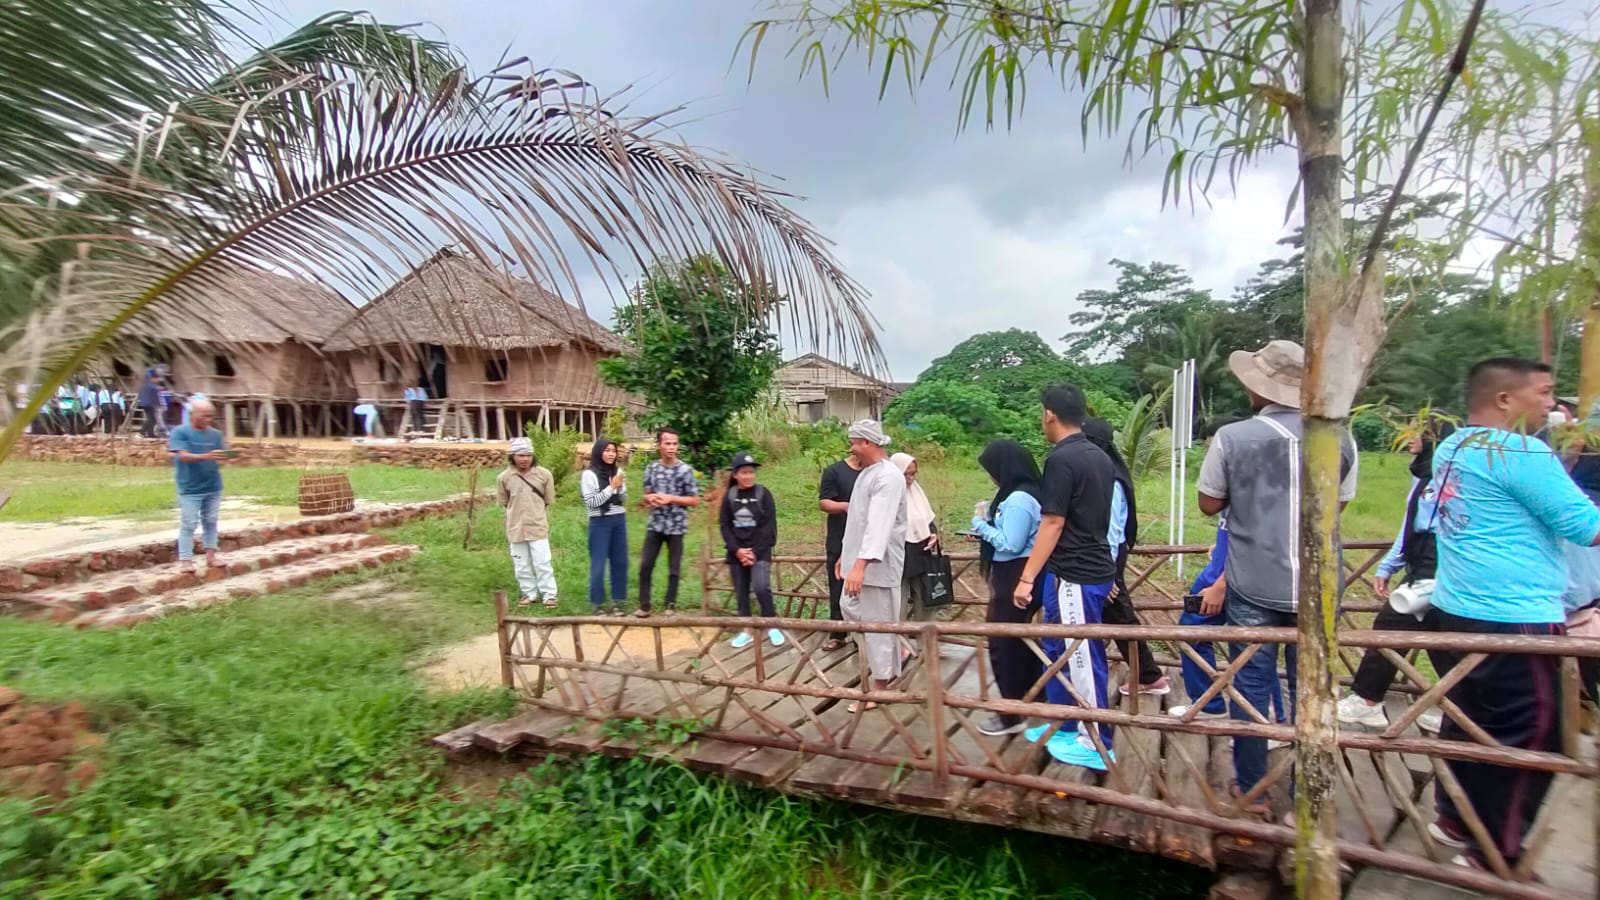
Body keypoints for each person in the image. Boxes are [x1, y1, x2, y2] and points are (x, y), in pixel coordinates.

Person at [1426, 357, 1600, 872]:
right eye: (1545, 393)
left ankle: (1454, 818)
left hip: (1457, 607)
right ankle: (1495, 850)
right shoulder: (1522, 453)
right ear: (1505, 400)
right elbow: (1585, 526)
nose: (1552, 404)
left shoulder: (1454, 446)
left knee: (1470, 719)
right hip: (1514, 614)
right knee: (1534, 730)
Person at [1197, 339, 1357, 807]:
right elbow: (1338, 506)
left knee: (1250, 684)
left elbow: (1209, 503)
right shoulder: (1341, 438)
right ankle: (1308, 792)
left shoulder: (1233, 437)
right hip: (1321, 584)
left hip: (1254, 583)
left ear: (1257, 389)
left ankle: (1253, 789)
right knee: (1310, 685)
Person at [1013, 384, 1121, 771]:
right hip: (1076, 569)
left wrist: (1027, 578)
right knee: (1058, 647)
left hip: (1077, 571)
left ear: (1049, 414)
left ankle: (1097, 741)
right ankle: (1063, 720)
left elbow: (1054, 521)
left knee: (1080, 653)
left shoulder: (1062, 459)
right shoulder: (1099, 456)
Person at [1337, 419, 1457, 733]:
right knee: (1441, 641)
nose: (1409, 439)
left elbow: (1431, 528)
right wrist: (1390, 564)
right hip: (1423, 563)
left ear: (1434, 438)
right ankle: (1458, 708)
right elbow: (1409, 526)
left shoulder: (1444, 477)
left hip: (1437, 565)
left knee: (1391, 629)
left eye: (1417, 433)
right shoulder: (1424, 474)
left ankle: (1367, 701)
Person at [1168, 418, 1286, 725]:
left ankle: (1258, 716)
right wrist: (1218, 551)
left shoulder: (1257, 488)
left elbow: (1260, 540)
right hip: (1221, 571)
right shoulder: (1237, 486)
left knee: (1250, 648)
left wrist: (1221, 583)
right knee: (1201, 634)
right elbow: (1235, 531)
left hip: (1234, 580)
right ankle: (1214, 703)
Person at [1081, 417, 1169, 698]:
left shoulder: (1109, 481)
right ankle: (1145, 674)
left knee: (1121, 617)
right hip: (1105, 557)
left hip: (1105, 559)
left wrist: (1108, 575)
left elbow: (1111, 532)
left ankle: (1150, 677)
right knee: (1116, 616)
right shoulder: (1106, 474)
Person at [969, 439, 1043, 736]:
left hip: (1015, 573)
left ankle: (1012, 712)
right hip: (1017, 571)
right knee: (1020, 640)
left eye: (992, 469)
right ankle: (1035, 697)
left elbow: (1011, 544)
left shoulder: (1020, 500)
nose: (991, 476)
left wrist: (980, 525)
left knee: (1003, 642)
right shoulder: (1021, 495)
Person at [838, 419, 907, 712]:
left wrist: (861, 564)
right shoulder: (868, 474)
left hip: (877, 567)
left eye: (854, 442)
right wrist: (847, 557)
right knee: (851, 609)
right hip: (860, 562)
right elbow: (858, 522)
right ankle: (891, 657)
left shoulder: (889, 477)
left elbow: (878, 525)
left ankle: (880, 686)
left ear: (867, 443)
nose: (851, 448)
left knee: (877, 624)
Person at [721, 452, 784, 648]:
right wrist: (738, 550)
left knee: (760, 586)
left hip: (760, 551)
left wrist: (753, 552)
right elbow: (725, 526)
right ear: (735, 475)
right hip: (736, 553)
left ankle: (771, 624)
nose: (748, 476)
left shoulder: (763, 494)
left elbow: (768, 527)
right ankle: (746, 628)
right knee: (741, 592)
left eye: (751, 472)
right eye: (744, 472)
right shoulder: (729, 496)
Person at [636, 429, 700, 617]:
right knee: (646, 565)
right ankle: (644, 606)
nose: (671, 447)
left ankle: (670, 605)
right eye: (667, 443)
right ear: (659, 445)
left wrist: (670, 498)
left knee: (674, 569)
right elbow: (646, 494)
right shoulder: (651, 469)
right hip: (655, 524)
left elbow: (694, 500)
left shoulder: (685, 470)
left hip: (676, 526)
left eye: (674, 444)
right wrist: (651, 499)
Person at [168, 398, 229, 572]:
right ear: (193, 414)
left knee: (211, 521)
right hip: (189, 488)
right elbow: (183, 456)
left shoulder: (216, 435)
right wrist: (206, 456)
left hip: (213, 485)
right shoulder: (180, 432)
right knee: (189, 523)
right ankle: (186, 560)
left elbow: (222, 455)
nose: (208, 420)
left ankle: (211, 556)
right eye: (205, 416)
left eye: (211, 417)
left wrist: (228, 456)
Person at [498, 437, 558, 608]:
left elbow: (547, 500)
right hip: (515, 527)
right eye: (520, 455)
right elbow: (505, 502)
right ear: (513, 456)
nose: (524, 459)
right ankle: (529, 593)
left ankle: (549, 595)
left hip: (537, 525)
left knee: (542, 562)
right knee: (521, 564)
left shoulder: (544, 475)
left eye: (528, 455)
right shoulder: (504, 478)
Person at [818, 443, 865, 652]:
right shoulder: (835, 471)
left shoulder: (875, 473)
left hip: (866, 540)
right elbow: (824, 503)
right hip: (839, 538)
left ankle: (860, 633)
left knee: (866, 588)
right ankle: (838, 633)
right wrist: (847, 507)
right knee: (838, 586)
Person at [889, 452, 941, 622]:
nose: (910, 478)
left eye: (913, 474)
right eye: (906, 474)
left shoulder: (916, 492)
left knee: (926, 599)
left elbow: (926, 518)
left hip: (920, 551)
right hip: (897, 553)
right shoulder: (887, 494)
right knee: (897, 602)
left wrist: (933, 534)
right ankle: (898, 645)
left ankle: (926, 643)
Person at [581, 439, 629, 615]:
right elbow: (592, 502)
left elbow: (623, 499)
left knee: (620, 562)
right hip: (599, 522)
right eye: (607, 450)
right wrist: (611, 488)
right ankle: (597, 603)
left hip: (618, 520)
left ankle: (617, 602)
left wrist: (620, 489)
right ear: (599, 452)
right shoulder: (589, 475)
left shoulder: (618, 471)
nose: (611, 454)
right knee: (599, 564)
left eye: (613, 451)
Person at [137, 368, 163, 438]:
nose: (157, 380)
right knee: (151, 418)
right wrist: (159, 405)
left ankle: (150, 433)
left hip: (144, 403)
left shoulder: (145, 385)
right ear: (152, 378)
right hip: (150, 404)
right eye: (156, 378)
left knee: (151, 418)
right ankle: (141, 432)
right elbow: (155, 397)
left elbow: (140, 394)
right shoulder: (153, 387)